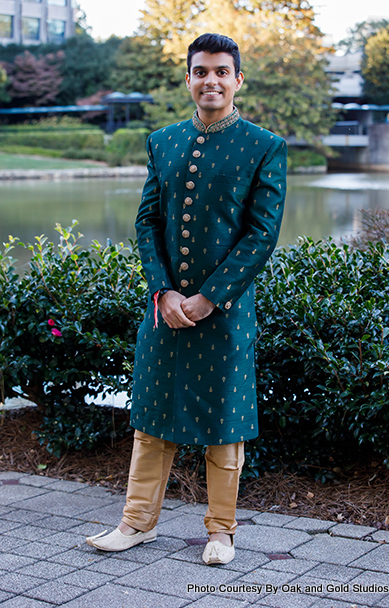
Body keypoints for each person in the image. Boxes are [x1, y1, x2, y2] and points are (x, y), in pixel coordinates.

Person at [87, 32, 287, 565]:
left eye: (222, 71)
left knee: (224, 423)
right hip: (164, 310)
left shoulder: (265, 146)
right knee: (151, 416)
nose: (211, 81)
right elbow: (147, 221)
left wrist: (208, 298)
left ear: (238, 79)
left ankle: (221, 532)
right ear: (189, 79)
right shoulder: (164, 141)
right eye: (202, 72)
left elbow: (261, 235)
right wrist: (163, 290)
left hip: (224, 313)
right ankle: (135, 524)